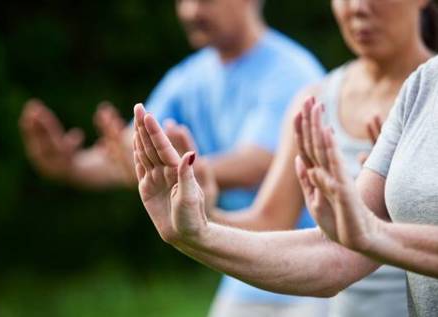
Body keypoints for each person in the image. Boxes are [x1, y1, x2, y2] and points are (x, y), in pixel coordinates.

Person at [19, 0, 326, 315]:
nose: (192, 12)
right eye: (184, 1)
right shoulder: (186, 79)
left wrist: (177, 172)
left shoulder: (292, 71)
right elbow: (131, 157)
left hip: (314, 270)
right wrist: (70, 166)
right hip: (245, 272)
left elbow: (262, 162)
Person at [132, 4, 438, 317]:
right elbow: (335, 254)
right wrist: (200, 226)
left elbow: (361, 237)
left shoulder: (291, 69)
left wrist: (376, 232)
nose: (357, 6)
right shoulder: (417, 89)